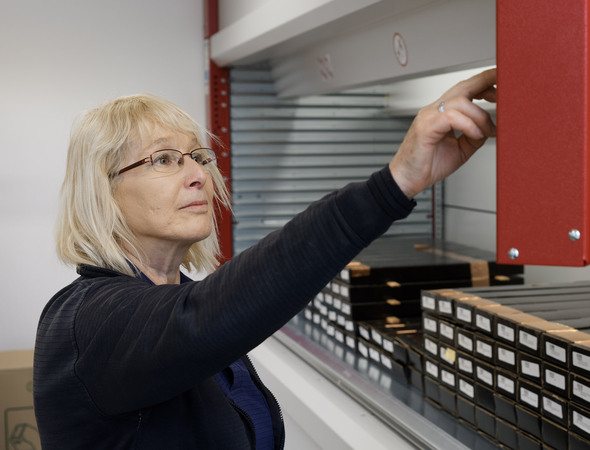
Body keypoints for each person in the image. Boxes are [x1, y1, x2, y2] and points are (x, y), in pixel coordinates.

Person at [33, 68, 497, 449]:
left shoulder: (183, 300)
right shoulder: (87, 321)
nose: (199, 175)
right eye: (164, 159)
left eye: (198, 157)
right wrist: (393, 185)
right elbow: (202, 318)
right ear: (103, 191)